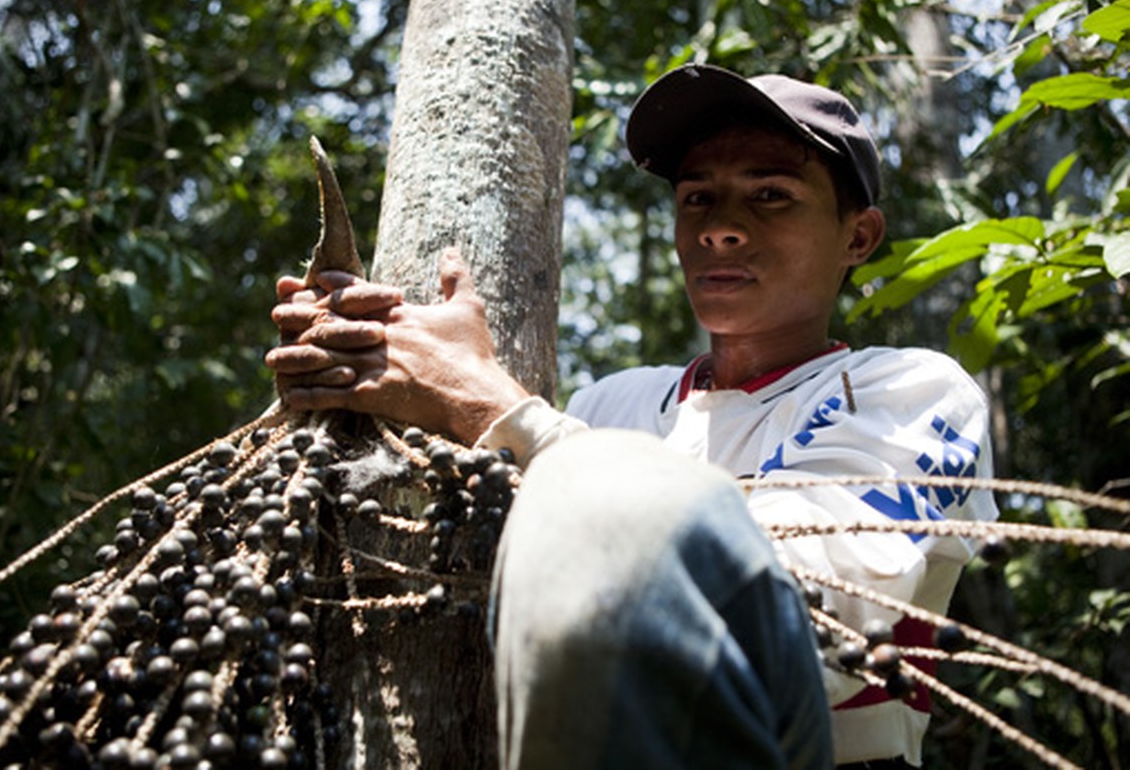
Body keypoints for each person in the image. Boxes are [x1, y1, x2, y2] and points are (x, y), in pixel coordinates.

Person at [267, 64, 997, 769]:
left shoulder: (908, 392)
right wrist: (349, 367)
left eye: (770, 195)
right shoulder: (610, 403)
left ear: (858, 238)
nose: (720, 229)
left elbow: (812, 631)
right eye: (697, 198)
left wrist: (490, 403)